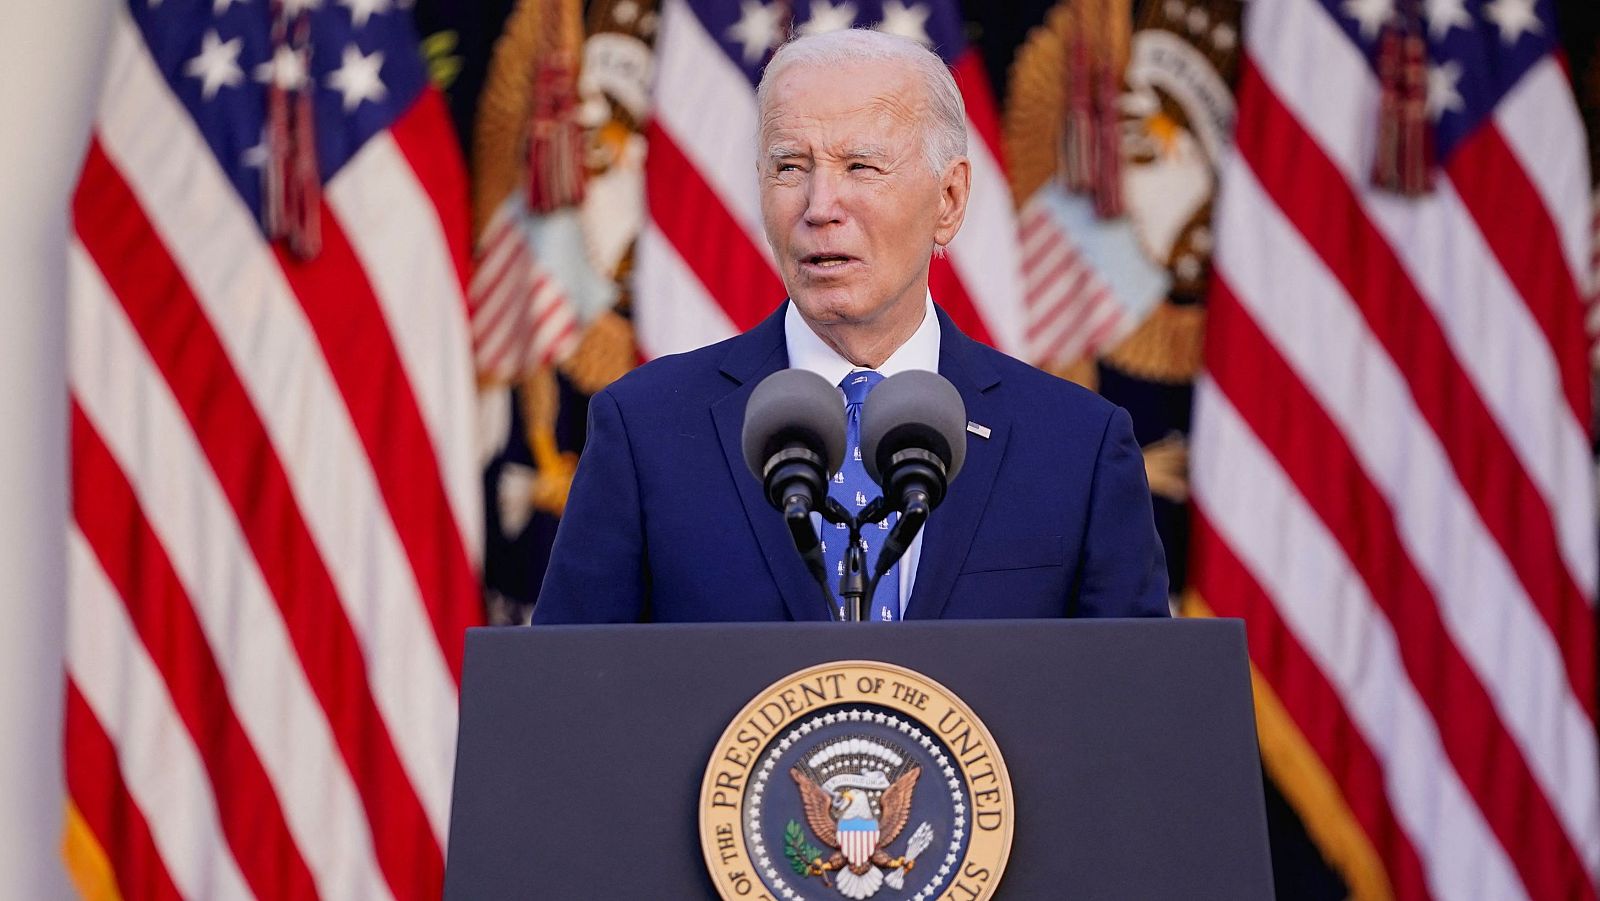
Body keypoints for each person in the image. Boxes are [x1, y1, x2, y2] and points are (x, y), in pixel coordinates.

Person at [532, 28, 1168, 624]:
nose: (819, 207)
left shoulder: (1076, 449)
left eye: (861, 166)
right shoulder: (645, 432)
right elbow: (569, 705)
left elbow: (1135, 718)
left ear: (948, 201)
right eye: (790, 167)